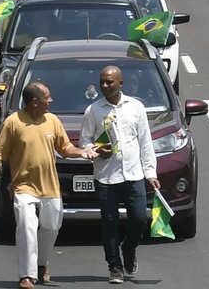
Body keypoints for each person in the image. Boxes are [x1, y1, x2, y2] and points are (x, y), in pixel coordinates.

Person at [0, 82, 97, 289]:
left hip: (50, 187)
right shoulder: (13, 122)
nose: (51, 101)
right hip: (23, 187)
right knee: (27, 227)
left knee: (51, 227)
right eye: (47, 98)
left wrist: (83, 152)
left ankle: (41, 263)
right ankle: (26, 276)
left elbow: (65, 148)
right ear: (35, 102)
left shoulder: (52, 120)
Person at [83, 66, 159, 284]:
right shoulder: (94, 111)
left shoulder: (136, 107)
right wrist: (98, 150)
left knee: (139, 219)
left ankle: (129, 248)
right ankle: (114, 266)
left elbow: (145, 142)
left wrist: (150, 172)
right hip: (106, 177)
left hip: (133, 175)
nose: (105, 86)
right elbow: (85, 141)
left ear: (120, 83)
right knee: (109, 223)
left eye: (110, 82)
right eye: (102, 82)